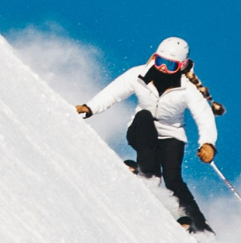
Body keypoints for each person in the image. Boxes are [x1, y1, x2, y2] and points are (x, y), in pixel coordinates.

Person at [76, 37, 218, 233]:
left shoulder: (187, 88)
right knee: (144, 117)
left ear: (182, 65)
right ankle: (149, 174)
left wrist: (208, 143)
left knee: (173, 178)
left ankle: (199, 226)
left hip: (172, 134)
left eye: (170, 65)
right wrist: (90, 108)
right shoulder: (139, 74)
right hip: (141, 129)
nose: (163, 69)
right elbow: (114, 92)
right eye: (160, 62)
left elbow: (204, 116)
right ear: (154, 57)